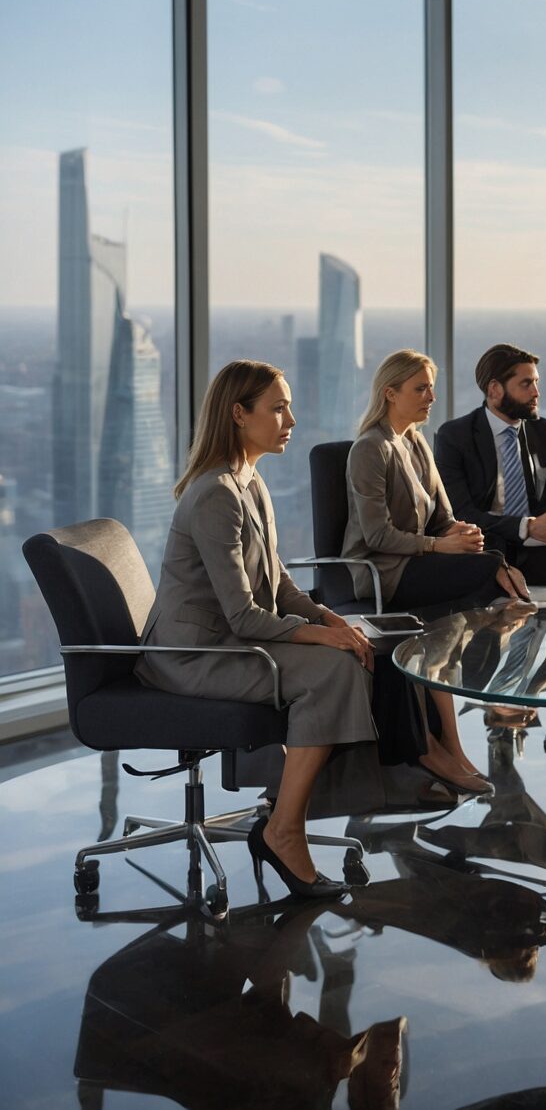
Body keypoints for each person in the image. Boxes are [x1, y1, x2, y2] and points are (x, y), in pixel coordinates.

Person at [136, 360, 377, 899]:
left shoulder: (249, 479)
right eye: (278, 407)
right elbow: (244, 615)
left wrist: (329, 619)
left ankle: (284, 811)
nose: (290, 417)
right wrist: (321, 638)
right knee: (333, 673)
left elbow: (279, 580)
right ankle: (284, 829)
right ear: (239, 414)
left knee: (349, 654)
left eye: (288, 405)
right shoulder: (216, 493)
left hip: (231, 643)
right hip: (196, 655)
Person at [342, 348, 530, 796]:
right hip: (383, 570)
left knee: (467, 595)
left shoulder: (416, 442)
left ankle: (448, 742)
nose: (431, 396)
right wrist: (441, 546)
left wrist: (461, 534)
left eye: (432, 387)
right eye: (420, 388)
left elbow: (444, 516)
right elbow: (376, 536)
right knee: (487, 576)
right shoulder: (370, 448)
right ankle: (467, 716)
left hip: (422, 561)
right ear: (390, 393)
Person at [433, 343, 546, 600]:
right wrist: (527, 526)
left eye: (536, 382)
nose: (536, 392)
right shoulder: (456, 436)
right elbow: (460, 513)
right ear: (495, 389)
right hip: (485, 552)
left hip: (534, 550)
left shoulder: (543, 431)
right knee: (483, 593)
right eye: (526, 384)